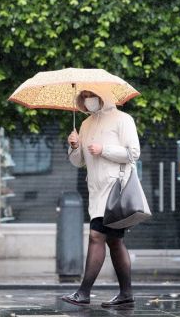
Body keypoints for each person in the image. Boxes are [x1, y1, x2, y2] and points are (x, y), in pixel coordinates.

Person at [62, 87, 140, 308]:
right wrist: (75, 146)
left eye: (91, 95)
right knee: (115, 241)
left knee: (96, 236)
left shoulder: (122, 119)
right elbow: (79, 162)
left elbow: (133, 153)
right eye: (84, 97)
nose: (88, 100)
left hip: (115, 189)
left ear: (103, 95)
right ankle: (126, 294)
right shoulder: (85, 124)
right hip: (96, 191)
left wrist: (103, 149)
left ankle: (83, 292)